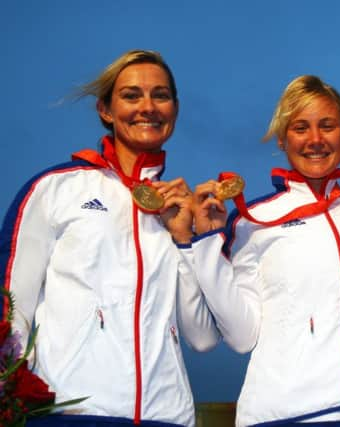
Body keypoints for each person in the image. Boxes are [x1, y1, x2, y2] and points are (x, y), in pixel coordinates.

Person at [0, 50, 219, 426]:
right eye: (132, 96)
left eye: (160, 95)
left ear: (175, 110)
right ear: (105, 110)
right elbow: (9, 307)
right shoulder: (56, 189)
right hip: (72, 412)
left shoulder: (178, 210)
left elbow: (202, 338)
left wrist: (186, 239)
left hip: (167, 416)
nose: (147, 107)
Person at [177, 75, 340, 426]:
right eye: (301, 128)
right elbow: (241, 337)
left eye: (327, 126)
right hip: (287, 414)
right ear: (284, 138)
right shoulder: (254, 221)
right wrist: (208, 242)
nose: (315, 140)